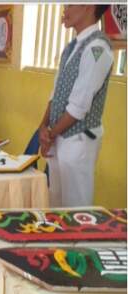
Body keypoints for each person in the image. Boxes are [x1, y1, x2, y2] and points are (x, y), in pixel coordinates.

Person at [39, 5, 113, 207]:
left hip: (78, 140)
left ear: (89, 6)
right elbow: (55, 93)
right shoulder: (72, 47)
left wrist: (50, 134)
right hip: (58, 137)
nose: (65, 9)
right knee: (55, 203)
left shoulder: (98, 48)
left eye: (71, 4)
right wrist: (43, 126)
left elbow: (79, 107)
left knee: (75, 208)